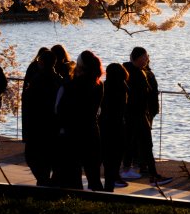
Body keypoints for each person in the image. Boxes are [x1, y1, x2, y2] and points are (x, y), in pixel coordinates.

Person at [122, 47, 172, 185]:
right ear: (137, 58)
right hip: (138, 113)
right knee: (145, 144)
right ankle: (153, 175)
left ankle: (127, 168)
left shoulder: (133, 71)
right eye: (144, 57)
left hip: (136, 112)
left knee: (131, 141)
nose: (146, 60)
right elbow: (143, 93)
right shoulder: (136, 73)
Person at [57, 50, 104, 190]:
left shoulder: (72, 85)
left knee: (74, 171)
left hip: (74, 132)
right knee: (93, 172)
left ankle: (76, 197)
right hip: (91, 129)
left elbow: (62, 108)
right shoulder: (99, 84)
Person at [23, 48, 63, 185]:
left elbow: (29, 105)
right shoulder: (59, 81)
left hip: (37, 125)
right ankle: (46, 181)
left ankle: (43, 181)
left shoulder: (36, 81)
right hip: (54, 126)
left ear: (41, 63)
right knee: (48, 158)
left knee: (33, 157)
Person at [101, 62, 129, 190]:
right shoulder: (123, 86)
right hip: (119, 124)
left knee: (107, 154)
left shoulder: (105, 86)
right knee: (117, 154)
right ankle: (113, 180)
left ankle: (109, 181)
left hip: (105, 123)